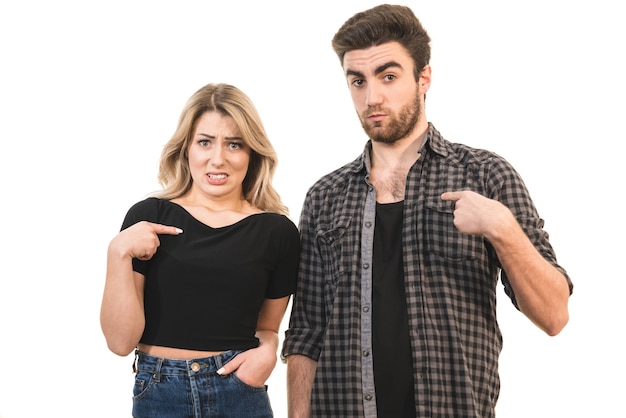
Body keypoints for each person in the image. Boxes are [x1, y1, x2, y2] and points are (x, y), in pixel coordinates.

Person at [281, 4, 574, 418]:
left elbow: (554, 315)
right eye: (357, 81)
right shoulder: (324, 196)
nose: (372, 97)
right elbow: (306, 333)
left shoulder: (486, 175)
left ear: (424, 79)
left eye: (388, 76)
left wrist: (502, 228)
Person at [100, 83, 300, 418]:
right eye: (205, 142)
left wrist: (269, 349)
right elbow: (121, 344)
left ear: (251, 153)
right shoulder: (149, 219)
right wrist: (117, 252)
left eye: (234, 144)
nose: (217, 158)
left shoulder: (277, 232)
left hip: (238, 390)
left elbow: (267, 327)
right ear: (186, 149)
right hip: (161, 392)